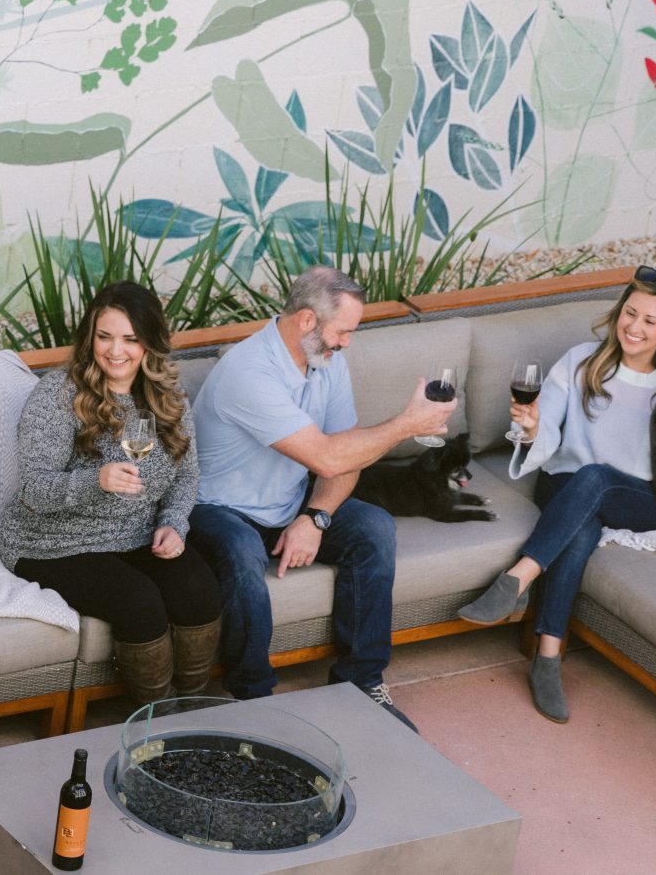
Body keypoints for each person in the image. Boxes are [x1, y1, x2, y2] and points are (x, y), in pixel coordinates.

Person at [186, 266, 456, 729]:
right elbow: (329, 458)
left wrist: (316, 516)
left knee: (373, 527)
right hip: (215, 507)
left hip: (289, 503)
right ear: (307, 321)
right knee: (240, 549)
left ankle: (361, 683)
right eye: (343, 331)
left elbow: (348, 455)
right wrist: (408, 424)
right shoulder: (249, 372)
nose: (348, 342)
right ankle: (255, 702)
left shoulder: (327, 361)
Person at [455, 267, 656, 723]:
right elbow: (546, 432)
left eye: (649, 321)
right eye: (629, 313)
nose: (634, 327)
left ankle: (516, 580)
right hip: (568, 485)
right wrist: (534, 427)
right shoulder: (582, 362)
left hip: (644, 498)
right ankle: (548, 658)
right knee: (583, 517)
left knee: (597, 480)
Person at [0, 282, 222, 703]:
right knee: (139, 600)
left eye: (130, 339)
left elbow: (186, 476)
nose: (115, 351)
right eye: (104, 336)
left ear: (150, 342)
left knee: (199, 589)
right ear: (90, 337)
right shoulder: (58, 395)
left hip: (132, 534)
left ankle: (190, 709)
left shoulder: (166, 396)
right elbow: (34, 489)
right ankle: (154, 718)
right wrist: (95, 481)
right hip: (53, 541)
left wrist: (174, 524)